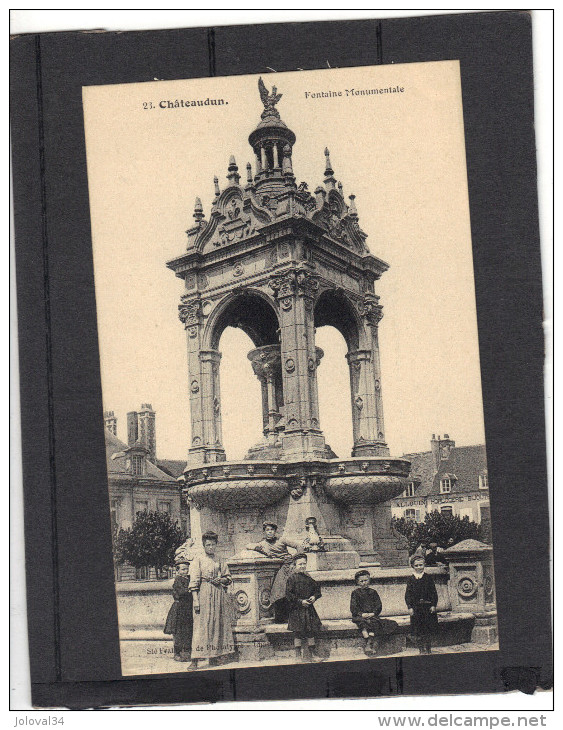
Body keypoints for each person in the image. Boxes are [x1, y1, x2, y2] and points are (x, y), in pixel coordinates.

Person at [189, 531, 235, 668]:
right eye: (208, 545)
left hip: (218, 594)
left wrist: (221, 579)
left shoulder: (220, 560)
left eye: (213, 544)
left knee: (216, 625)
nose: (211, 547)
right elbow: (194, 582)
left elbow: (228, 577)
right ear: (204, 546)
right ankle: (195, 659)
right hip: (203, 594)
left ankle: (214, 656)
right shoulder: (198, 560)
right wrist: (195, 600)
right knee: (201, 626)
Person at [246, 522, 300, 622]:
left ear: (275, 531)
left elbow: (298, 546)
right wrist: (259, 549)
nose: (270, 532)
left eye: (272, 530)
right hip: (276, 569)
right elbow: (248, 545)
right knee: (277, 592)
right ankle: (283, 618)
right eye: (267, 530)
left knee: (290, 589)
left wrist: (295, 559)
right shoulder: (263, 543)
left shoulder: (282, 540)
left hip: (289, 566)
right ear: (264, 532)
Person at [285, 553, 325, 663]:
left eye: (304, 563)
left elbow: (317, 590)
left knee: (310, 631)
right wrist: (300, 601)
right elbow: (289, 595)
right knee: (298, 632)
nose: (302, 566)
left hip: (308, 609)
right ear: (295, 565)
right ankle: (297, 655)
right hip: (297, 610)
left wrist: (313, 597)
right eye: (300, 564)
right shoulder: (291, 579)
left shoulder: (309, 578)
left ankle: (313, 654)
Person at [350, 569, 396, 656]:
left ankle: (369, 643)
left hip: (372, 615)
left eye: (366, 580)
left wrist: (373, 613)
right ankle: (369, 643)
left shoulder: (373, 592)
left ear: (369, 580)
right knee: (363, 624)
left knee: (375, 623)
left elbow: (379, 605)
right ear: (357, 582)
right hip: (361, 616)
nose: (364, 583)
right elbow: (353, 607)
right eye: (361, 581)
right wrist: (361, 614)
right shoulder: (355, 593)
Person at [404, 553, 439, 654]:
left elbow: (433, 592)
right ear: (413, 566)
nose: (419, 567)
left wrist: (433, 605)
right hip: (416, 608)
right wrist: (410, 607)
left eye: (421, 565)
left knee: (427, 629)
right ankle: (420, 649)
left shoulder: (428, 578)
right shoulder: (411, 579)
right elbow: (408, 595)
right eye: (416, 565)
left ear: (424, 565)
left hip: (427, 608)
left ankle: (428, 648)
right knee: (418, 630)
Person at [164, 561, 195, 666]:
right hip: (179, 608)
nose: (186, 571)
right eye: (183, 569)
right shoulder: (178, 580)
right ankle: (177, 653)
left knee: (187, 630)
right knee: (178, 631)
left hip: (187, 608)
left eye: (187, 568)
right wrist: (191, 589)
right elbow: (182, 592)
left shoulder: (189, 578)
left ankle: (186, 653)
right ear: (177, 571)